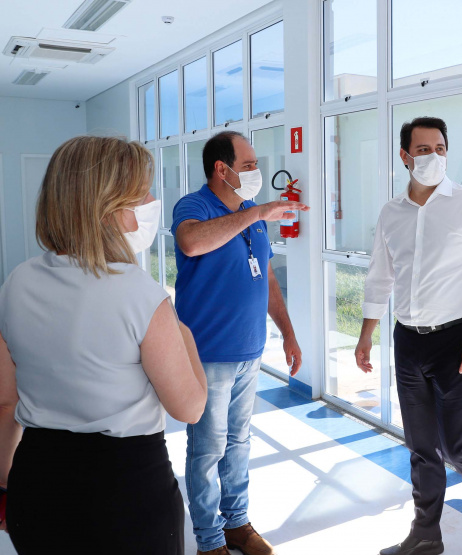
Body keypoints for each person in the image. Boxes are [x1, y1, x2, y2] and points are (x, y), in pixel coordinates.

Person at [0, 136, 207, 553]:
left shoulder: (17, 282)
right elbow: (190, 407)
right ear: (106, 206)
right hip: (126, 494)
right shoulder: (139, 293)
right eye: (140, 194)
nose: (151, 202)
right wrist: (182, 333)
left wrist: (6, 485)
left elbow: (6, 402)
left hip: (37, 482)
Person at [356, 117, 462, 555]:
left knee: (459, 445)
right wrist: (366, 334)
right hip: (408, 341)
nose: (433, 156)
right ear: (404, 156)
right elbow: (380, 277)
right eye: (423, 149)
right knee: (421, 447)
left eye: (440, 148)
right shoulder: (391, 213)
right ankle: (426, 533)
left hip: (459, 340)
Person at [173, 131, 308, 555]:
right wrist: (258, 213)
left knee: (238, 443)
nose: (255, 171)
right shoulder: (194, 206)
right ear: (221, 169)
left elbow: (267, 278)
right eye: (248, 165)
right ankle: (209, 539)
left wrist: (288, 332)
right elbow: (192, 242)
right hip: (209, 354)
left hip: (250, 351)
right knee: (208, 448)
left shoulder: (252, 214)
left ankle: (236, 524)